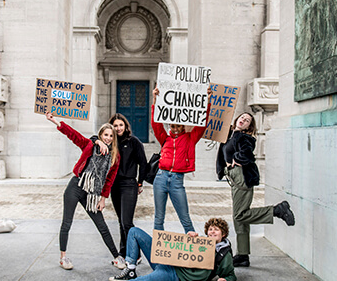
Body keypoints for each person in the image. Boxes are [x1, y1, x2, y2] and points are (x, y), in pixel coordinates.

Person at [45, 112, 125, 270]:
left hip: (92, 194)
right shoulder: (90, 145)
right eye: (105, 135)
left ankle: (116, 257)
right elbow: (73, 135)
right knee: (67, 223)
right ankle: (63, 258)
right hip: (76, 185)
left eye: (111, 136)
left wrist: (103, 198)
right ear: (100, 135)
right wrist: (55, 121)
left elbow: (109, 180)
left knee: (101, 225)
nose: (108, 138)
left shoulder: (115, 156)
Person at [216, 112, 295, 268]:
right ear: (236, 119)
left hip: (242, 176)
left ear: (249, 126)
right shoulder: (229, 135)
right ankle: (243, 255)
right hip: (233, 177)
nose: (243, 121)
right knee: (239, 217)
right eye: (242, 118)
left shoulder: (244, 137)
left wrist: (236, 161)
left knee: (240, 215)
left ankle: (277, 210)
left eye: (247, 121)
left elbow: (246, 153)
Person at [82, 218, 236, 281]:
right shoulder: (202, 242)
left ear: (223, 234)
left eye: (216, 230)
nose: (212, 233)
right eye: (210, 230)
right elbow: (181, 251)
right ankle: (130, 268)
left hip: (174, 275)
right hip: (166, 261)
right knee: (134, 231)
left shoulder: (223, 255)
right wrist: (190, 239)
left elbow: (231, 275)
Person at [150, 86, 212, 234]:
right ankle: (158, 250)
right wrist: (155, 99)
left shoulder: (190, 138)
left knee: (185, 217)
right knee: (159, 217)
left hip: (177, 181)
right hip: (160, 177)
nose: (176, 129)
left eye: (178, 126)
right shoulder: (165, 138)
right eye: (173, 126)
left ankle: (192, 247)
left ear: (183, 125)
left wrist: (207, 101)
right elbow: (155, 124)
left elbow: (201, 124)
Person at [93, 114, 147, 261]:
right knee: (121, 221)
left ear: (126, 126)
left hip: (129, 185)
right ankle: (123, 253)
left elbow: (143, 163)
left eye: (120, 125)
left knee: (127, 222)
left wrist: (140, 182)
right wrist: (98, 140)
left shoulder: (134, 142)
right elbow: (92, 140)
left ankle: (135, 255)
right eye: (115, 126)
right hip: (114, 186)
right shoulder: (110, 143)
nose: (118, 128)